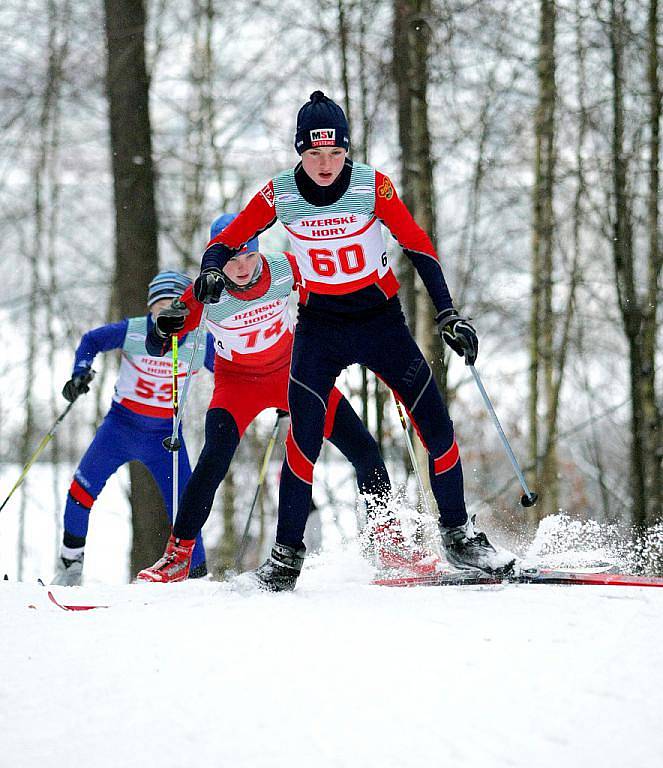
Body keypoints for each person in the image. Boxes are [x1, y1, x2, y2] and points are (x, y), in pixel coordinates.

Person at [193, 90, 516, 591]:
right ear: (300, 153)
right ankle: (284, 559)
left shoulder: (373, 187)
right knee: (302, 440)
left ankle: (459, 535)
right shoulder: (279, 193)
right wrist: (212, 269)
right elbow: (227, 238)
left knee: (436, 424)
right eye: (314, 154)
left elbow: (418, 245)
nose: (325, 164)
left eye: (335, 153)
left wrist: (448, 313)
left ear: (348, 151)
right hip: (320, 325)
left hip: (380, 321)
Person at [137, 216, 396, 586]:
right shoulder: (205, 291)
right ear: (215, 258)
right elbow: (158, 345)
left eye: (247, 257)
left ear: (259, 250)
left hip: (295, 375)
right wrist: (163, 328)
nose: (240, 268)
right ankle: (177, 557)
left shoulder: (283, 267)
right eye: (230, 259)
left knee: (364, 448)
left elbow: (336, 283)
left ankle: (390, 545)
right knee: (214, 460)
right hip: (237, 385)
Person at [52, 271, 215, 586]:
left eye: (176, 307)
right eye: (160, 307)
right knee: (79, 493)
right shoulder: (135, 330)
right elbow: (92, 340)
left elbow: (231, 370)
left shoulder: (198, 341)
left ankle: (197, 578)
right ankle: (70, 568)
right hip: (120, 428)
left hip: (165, 438)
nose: (167, 314)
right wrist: (79, 373)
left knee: (187, 509)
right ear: (150, 308)